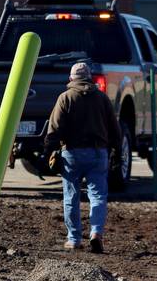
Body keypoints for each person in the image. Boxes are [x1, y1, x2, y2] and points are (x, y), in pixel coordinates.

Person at [44, 62, 121, 254]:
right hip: (98, 153)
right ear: (89, 77)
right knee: (98, 196)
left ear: (71, 78)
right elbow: (114, 128)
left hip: (71, 153)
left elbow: (54, 128)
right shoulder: (102, 99)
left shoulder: (65, 98)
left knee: (71, 196)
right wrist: (117, 149)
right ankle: (96, 233)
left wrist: (48, 150)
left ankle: (74, 238)